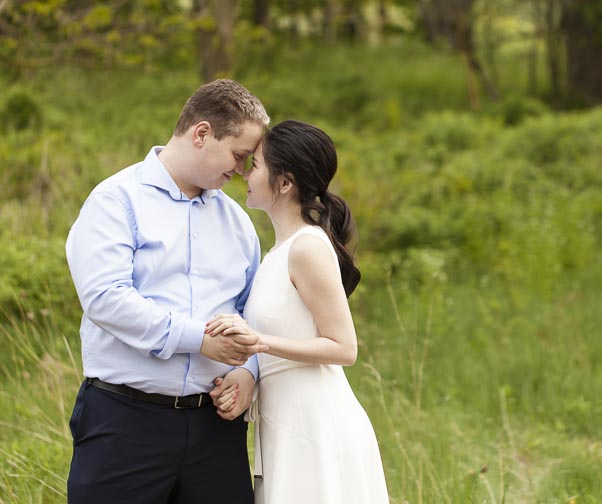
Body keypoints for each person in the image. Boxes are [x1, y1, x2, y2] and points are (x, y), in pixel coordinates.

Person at [65, 79, 271, 504]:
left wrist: (248, 374)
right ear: (201, 134)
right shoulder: (115, 201)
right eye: (238, 155)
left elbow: (256, 310)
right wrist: (200, 339)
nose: (240, 170)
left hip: (216, 428)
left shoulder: (237, 222)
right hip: (125, 422)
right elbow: (106, 298)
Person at [206, 120, 390, 503]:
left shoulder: (307, 247)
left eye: (254, 165)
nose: (244, 172)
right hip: (282, 422)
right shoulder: (275, 253)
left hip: (316, 424)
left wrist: (261, 342)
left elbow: (344, 348)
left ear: (285, 182)